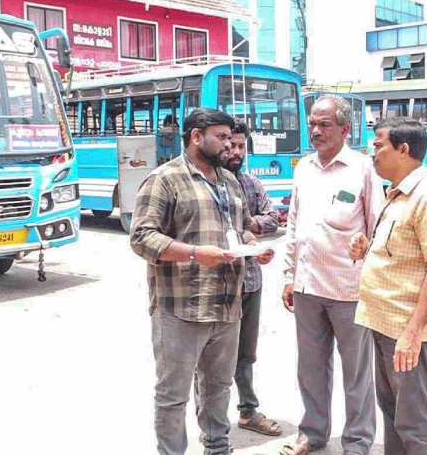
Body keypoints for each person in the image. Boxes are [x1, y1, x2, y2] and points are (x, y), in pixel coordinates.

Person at [130, 108, 274, 455]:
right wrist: (195, 253)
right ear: (197, 136)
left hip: (227, 307)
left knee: (218, 388)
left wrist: (251, 247)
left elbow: (236, 228)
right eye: (222, 137)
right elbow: (141, 237)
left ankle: (217, 448)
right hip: (181, 308)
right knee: (173, 395)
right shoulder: (165, 179)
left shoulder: (229, 181)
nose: (229, 145)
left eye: (231, 138)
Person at [280, 95, 384, 455]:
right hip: (307, 284)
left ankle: (357, 441)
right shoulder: (303, 168)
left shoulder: (362, 168)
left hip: (348, 287)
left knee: (356, 373)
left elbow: (379, 227)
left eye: (324, 124)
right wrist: (288, 275)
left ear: (344, 128)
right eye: (312, 122)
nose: (316, 130)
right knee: (310, 367)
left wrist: (366, 252)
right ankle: (313, 432)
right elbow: (294, 226)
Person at [348, 117, 427, 455]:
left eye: (378, 145)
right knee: (393, 412)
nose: (371, 153)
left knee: (415, 422)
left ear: (403, 149)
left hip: (404, 329)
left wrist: (412, 333)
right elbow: (402, 254)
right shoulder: (397, 195)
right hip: (382, 323)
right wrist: (368, 250)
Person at [223, 119, 282, 436]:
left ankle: (247, 411)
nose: (236, 152)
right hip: (217, 284)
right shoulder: (208, 184)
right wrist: (246, 227)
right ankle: (214, 422)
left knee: (246, 353)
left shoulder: (251, 183)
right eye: (230, 144)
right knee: (214, 355)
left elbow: (272, 218)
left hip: (251, 281)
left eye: (242, 146)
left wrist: (246, 225)